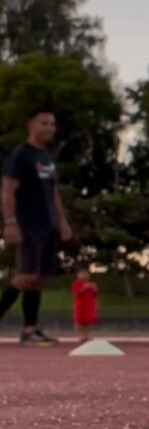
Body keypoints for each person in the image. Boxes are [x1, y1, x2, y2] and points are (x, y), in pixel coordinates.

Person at [0, 107, 71, 346]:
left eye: (52, 124)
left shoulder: (47, 158)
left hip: (47, 224)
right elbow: (7, 191)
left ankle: (30, 329)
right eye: (44, 124)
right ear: (31, 125)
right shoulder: (21, 155)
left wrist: (62, 221)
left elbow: (53, 194)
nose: (50, 128)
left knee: (38, 277)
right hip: (27, 223)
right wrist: (9, 222)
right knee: (26, 275)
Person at [71, 266, 99, 343]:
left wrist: (94, 288)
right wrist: (84, 288)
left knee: (89, 322)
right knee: (79, 322)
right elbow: (76, 293)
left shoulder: (92, 284)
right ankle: (80, 335)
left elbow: (96, 294)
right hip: (80, 307)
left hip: (90, 307)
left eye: (86, 274)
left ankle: (89, 334)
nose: (84, 276)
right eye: (82, 274)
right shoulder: (76, 283)